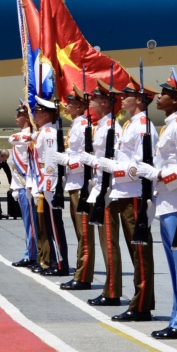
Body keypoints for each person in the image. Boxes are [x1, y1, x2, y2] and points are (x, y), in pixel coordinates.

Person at [143, 69, 177, 339]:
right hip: (166, 202)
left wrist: (158, 175)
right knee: (176, 267)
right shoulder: (169, 125)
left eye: (164, 93)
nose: (158, 96)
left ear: (176, 99)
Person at [98, 82, 156, 322]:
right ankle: (141, 301)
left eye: (128, 95)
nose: (122, 98)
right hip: (125, 193)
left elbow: (140, 166)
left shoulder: (142, 126)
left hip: (135, 194)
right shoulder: (130, 124)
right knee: (136, 251)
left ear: (140, 100)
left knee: (140, 251)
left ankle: (141, 305)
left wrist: (115, 168)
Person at [52, 88, 93, 291]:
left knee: (84, 233)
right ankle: (81, 272)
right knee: (79, 233)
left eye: (70, 103)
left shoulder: (83, 125)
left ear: (80, 106)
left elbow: (86, 157)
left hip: (81, 184)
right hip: (74, 183)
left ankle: (83, 276)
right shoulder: (76, 124)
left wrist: (68, 161)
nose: (66, 106)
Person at [84, 81, 120, 306]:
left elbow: (114, 159)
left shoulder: (111, 127)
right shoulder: (102, 125)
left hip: (108, 189)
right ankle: (110, 289)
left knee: (109, 242)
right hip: (99, 186)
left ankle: (112, 292)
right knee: (105, 241)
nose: (91, 99)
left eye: (96, 97)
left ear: (105, 102)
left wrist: (93, 161)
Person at [31, 99, 69, 276]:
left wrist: (49, 186)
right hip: (45, 182)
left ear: (46, 114)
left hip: (50, 184)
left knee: (54, 226)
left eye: (37, 112)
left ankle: (60, 264)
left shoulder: (49, 134)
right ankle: (54, 261)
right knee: (49, 225)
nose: (34, 115)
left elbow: (52, 162)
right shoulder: (43, 132)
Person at [7, 105, 38, 268]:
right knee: (27, 222)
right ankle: (32, 253)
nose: (16, 117)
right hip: (20, 184)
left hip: (27, 184)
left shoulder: (30, 135)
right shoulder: (23, 135)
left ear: (27, 117)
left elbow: (12, 139)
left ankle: (31, 255)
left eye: (19, 115)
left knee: (31, 223)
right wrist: (14, 187)